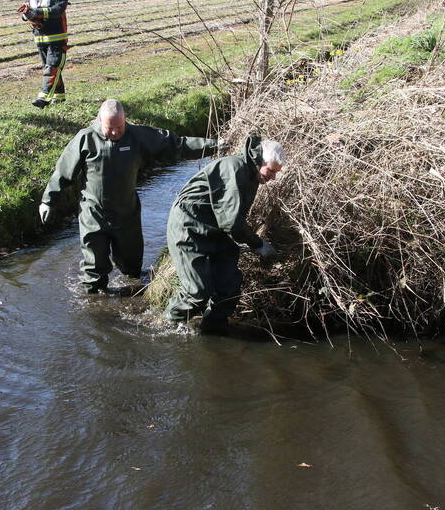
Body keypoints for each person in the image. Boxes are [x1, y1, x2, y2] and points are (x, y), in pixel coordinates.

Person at [40, 99, 219, 293]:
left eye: (120, 126)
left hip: (127, 214)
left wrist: (213, 146)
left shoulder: (138, 136)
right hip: (94, 214)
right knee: (94, 271)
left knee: (132, 269)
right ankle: (94, 308)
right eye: (110, 128)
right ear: (100, 120)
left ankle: (133, 294)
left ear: (125, 120)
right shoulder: (85, 139)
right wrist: (47, 201)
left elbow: (176, 145)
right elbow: (63, 173)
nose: (116, 132)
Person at [164, 135, 284, 334]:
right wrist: (259, 244)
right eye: (271, 171)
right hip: (188, 227)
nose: (273, 177)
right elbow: (233, 224)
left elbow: (229, 221)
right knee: (197, 291)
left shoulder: (252, 173)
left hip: (215, 229)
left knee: (229, 285)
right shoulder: (235, 170)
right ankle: (166, 326)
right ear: (259, 160)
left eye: (276, 173)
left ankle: (213, 329)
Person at [18, 0, 70, 108]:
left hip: (56, 36)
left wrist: (38, 13)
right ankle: (59, 97)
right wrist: (27, 15)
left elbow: (58, 10)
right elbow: (28, 7)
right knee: (49, 67)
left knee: (52, 66)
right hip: (39, 37)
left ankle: (44, 98)